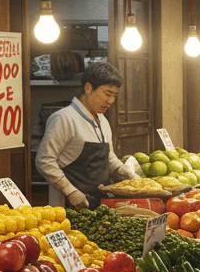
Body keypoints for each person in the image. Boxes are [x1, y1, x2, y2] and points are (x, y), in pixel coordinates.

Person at [37, 62, 139, 209]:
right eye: (107, 94)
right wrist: (70, 191)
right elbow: (44, 161)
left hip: (100, 204)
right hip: (71, 206)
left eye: (114, 96)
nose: (110, 101)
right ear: (88, 88)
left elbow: (108, 156)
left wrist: (121, 170)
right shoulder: (64, 118)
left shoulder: (102, 120)